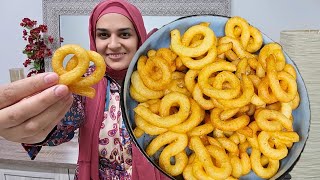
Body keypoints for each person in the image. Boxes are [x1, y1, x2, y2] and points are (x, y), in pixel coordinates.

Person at [0, 0, 168, 179]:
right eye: (103, 35)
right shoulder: (84, 80)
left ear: (139, 37)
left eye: (124, 34)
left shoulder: (164, 76)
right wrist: (36, 127)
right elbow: (66, 119)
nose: (113, 44)